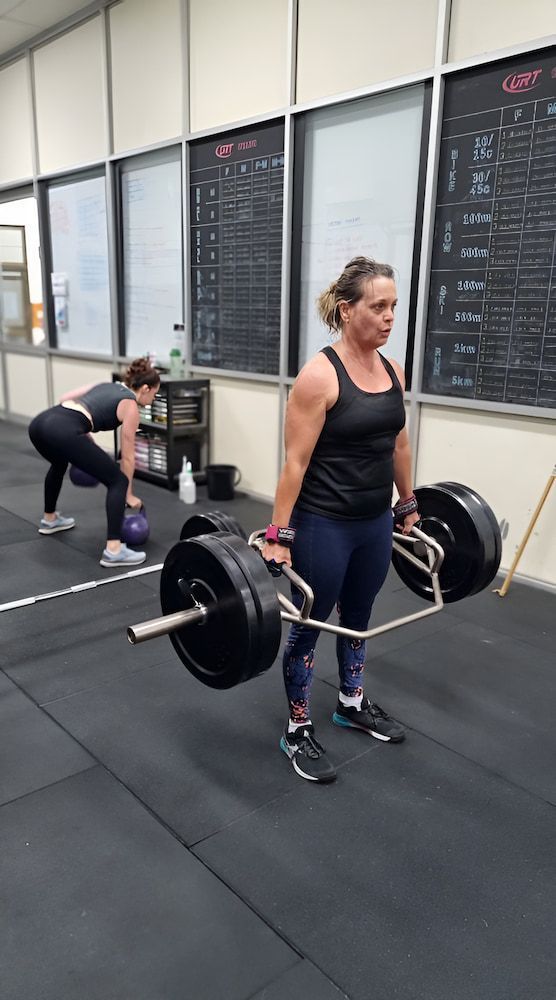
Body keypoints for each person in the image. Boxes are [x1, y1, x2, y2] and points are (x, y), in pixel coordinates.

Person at [262, 256, 420, 784]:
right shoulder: (318, 376)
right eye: (378, 307)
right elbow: (294, 463)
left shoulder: (393, 371)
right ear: (347, 310)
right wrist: (279, 536)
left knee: (357, 617)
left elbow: (397, 441)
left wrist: (407, 500)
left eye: (394, 306)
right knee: (310, 625)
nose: (389, 317)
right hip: (324, 525)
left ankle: (350, 703)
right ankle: (297, 728)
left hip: (373, 524)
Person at [28, 358, 160, 567]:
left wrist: (82, 435)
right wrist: (128, 494)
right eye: (154, 393)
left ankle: (50, 519)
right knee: (117, 481)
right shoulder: (131, 406)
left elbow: (66, 398)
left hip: (40, 424)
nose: (153, 399)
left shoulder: (105, 384)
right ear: (145, 388)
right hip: (63, 429)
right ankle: (114, 550)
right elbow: (127, 457)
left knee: (59, 463)